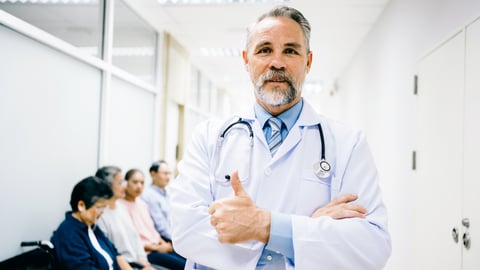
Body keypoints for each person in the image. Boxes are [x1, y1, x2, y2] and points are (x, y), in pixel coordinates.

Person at [168, 5, 391, 270]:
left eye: (290, 50)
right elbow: (185, 231)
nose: (277, 62)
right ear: (246, 60)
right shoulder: (209, 137)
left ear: (307, 62)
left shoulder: (347, 143)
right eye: (264, 50)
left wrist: (260, 225)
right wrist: (303, 232)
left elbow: (372, 247)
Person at [51, 176, 133, 270]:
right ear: (81, 205)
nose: (102, 212)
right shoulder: (68, 234)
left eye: (104, 207)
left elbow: (116, 254)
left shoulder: (91, 227)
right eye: (99, 207)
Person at [119, 169, 186, 270]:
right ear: (126, 183)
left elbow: (152, 230)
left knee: (190, 261)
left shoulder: (142, 204)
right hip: (146, 252)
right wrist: (158, 248)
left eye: (142, 183)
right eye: (135, 182)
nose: (139, 186)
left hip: (158, 245)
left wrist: (164, 244)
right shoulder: (121, 207)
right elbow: (132, 241)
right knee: (183, 266)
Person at [95, 166, 158, 270]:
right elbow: (110, 253)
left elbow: (136, 239)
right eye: (120, 183)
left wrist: (144, 263)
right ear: (107, 186)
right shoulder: (100, 215)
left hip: (139, 264)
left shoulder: (122, 207)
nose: (125, 186)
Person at [142, 160, 172, 241]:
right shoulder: (149, 196)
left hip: (174, 237)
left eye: (169, 173)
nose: (168, 177)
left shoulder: (168, 194)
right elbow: (161, 226)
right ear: (153, 174)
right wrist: (176, 240)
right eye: (165, 173)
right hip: (163, 240)